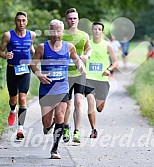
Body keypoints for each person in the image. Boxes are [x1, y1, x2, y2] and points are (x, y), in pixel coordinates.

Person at [30, 19, 86, 159]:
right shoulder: (42, 47)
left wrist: (81, 67)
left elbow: (76, 59)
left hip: (62, 87)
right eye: (53, 31)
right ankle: (49, 125)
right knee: (47, 123)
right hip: (47, 89)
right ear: (50, 31)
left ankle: (55, 149)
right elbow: (33, 64)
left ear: (63, 32)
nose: (56, 34)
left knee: (60, 115)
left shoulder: (69, 47)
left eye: (59, 31)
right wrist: (39, 75)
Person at [0, 11, 36, 139]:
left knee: (23, 99)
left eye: (23, 20)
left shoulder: (32, 35)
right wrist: (6, 55)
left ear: (27, 21)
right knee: (13, 99)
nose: (21, 23)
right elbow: (1, 52)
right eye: (19, 20)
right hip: (12, 69)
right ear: (15, 21)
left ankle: (20, 129)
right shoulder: (8, 35)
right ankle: (13, 110)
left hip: (25, 70)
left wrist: (36, 57)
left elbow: (32, 49)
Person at [62, 8, 92, 143]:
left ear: (78, 20)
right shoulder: (61, 35)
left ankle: (77, 131)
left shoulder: (84, 35)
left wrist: (86, 56)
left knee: (79, 102)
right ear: (66, 20)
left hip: (79, 72)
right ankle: (66, 127)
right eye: (70, 18)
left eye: (75, 18)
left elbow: (89, 48)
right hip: (65, 74)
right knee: (68, 104)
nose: (72, 20)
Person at [85, 21, 119, 138]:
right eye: (95, 29)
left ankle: (98, 99)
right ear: (92, 31)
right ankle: (93, 129)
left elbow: (116, 62)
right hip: (88, 78)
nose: (97, 31)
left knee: (99, 108)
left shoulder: (107, 45)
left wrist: (109, 70)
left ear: (102, 32)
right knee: (90, 101)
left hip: (102, 80)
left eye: (99, 29)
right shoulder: (87, 44)